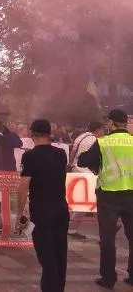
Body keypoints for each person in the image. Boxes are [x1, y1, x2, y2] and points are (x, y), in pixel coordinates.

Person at [78, 109, 133, 289]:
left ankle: (108, 278)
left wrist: (98, 164)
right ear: (125, 123)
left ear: (110, 122)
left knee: (108, 240)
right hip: (131, 194)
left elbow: (83, 161)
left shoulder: (103, 142)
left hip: (109, 195)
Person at [17, 119, 70, 292]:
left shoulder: (30, 156)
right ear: (49, 133)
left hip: (41, 210)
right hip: (61, 208)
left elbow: (23, 186)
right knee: (60, 253)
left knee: (46, 255)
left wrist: (20, 214)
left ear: (32, 134)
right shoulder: (61, 154)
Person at [67, 121, 106, 239]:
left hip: (76, 169)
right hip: (86, 173)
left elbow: (73, 152)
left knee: (80, 202)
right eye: (102, 130)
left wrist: (71, 165)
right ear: (98, 130)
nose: (103, 132)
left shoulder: (81, 136)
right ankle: (72, 228)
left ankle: (71, 227)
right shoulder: (94, 140)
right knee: (86, 203)